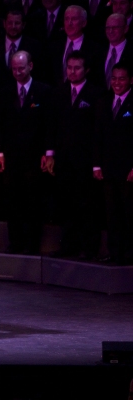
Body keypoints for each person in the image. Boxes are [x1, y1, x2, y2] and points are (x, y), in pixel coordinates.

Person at [45, 51, 103, 258]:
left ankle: (88, 249)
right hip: (63, 159)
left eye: (77, 67)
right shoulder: (58, 92)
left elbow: (98, 130)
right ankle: (67, 246)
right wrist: (49, 153)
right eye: (69, 67)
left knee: (87, 205)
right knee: (65, 204)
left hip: (85, 160)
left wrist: (97, 162)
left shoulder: (96, 94)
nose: (72, 71)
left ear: (86, 70)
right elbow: (51, 125)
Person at [0, 51, 51, 255]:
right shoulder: (5, 91)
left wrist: (48, 152)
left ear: (31, 66)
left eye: (21, 68)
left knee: (32, 201)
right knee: (12, 201)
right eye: (14, 68)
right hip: (11, 157)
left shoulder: (43, 91)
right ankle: (15, 243)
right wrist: (0, 153)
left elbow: (48, 125)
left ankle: (32, 244)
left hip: (34, 157)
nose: (17, 72)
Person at [93, 62, 133, 265]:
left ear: (131, 80)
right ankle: (115, 252)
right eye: (114, 78)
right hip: (108, 169)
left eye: (122, 78)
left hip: (128, 170)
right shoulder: (103, 101)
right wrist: (97, 165)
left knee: (129, 212)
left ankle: (129, 253)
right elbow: (97, 134)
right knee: (112, 213)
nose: (117, 82)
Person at [46, 5, 100, 86]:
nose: (69, 23)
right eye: (66, 19)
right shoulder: (53, 47)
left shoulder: (95, 49)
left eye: (74, 19)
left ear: (84, 23)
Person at [97, 13, 133, 89]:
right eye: (108, 28)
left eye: (115, 27)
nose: (111, 31)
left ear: (125, 29)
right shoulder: (98, 51)